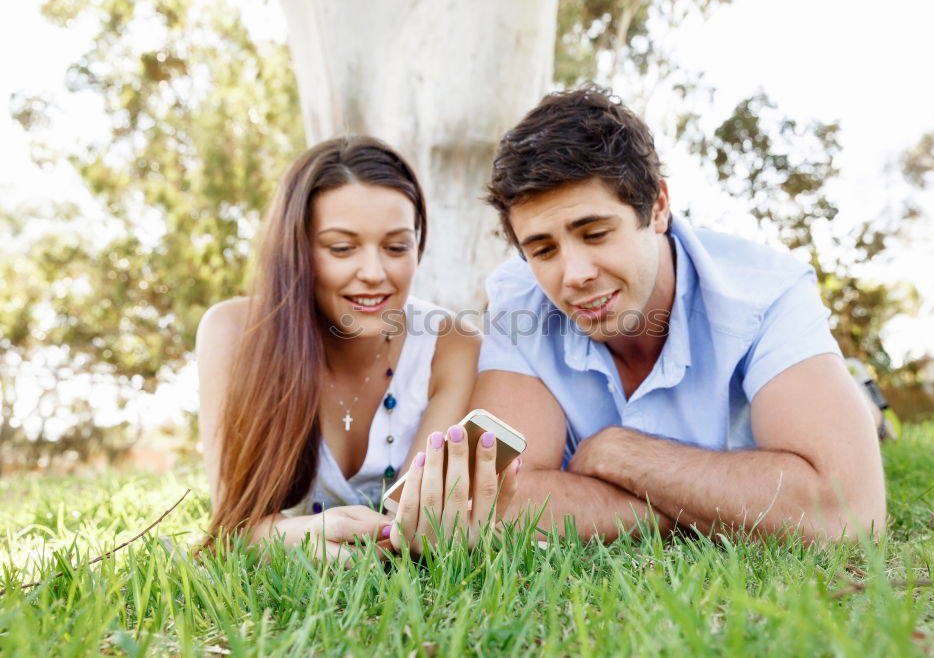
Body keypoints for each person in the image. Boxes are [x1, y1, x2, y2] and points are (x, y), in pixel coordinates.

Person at [471, 86, 886, 543]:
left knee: (860, 419)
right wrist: (705, 507)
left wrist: (618, 453)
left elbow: (848, 514)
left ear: (659, 208)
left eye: (594, 234)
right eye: (543, 249)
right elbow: (493, 500)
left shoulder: (768, 292)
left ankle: (861, 395)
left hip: (788, 367)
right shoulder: (518, 302)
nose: (574, 276)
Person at [197, 136, 517, 562]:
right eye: (342, 248)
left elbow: (411, 525)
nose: (373, 273)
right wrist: (298, 537)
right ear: (298, 250)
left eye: (396, 247)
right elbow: (231, 529)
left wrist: (436, 529)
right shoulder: (234, 332)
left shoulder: (452, 346)